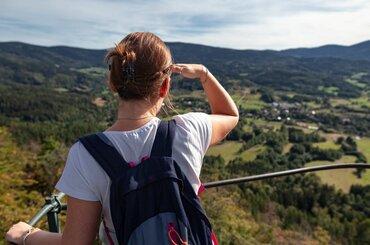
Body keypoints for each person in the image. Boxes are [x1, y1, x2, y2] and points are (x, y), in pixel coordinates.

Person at [6, 32, 239, 245]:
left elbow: (76, 243)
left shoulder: (85, 154)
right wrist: (204, 74)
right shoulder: (188, 130)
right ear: (165, 87)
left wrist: (27, 235)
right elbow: (229, 114)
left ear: (112, 84)